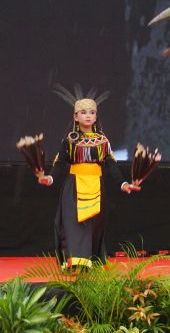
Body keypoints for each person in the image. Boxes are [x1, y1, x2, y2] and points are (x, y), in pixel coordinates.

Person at [39, 85, 139, 269]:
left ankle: (91, 261)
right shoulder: (70, 140)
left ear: (96, 116)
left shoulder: (102, 141)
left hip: (96, 186)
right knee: (73, 223)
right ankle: (75, 262)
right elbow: (60, 163)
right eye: (83, 112)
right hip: (74, 187)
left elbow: (111, 165)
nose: (88, 116)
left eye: (92, 112)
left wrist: (124, 183)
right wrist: (50, 178)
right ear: (75, 116)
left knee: (95, 225)